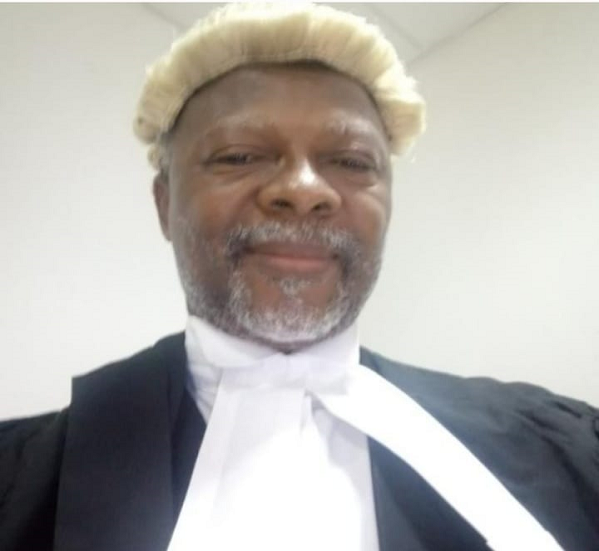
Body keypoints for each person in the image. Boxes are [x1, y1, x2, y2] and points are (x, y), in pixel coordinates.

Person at [1, 4, 597, 551]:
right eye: (239, 156)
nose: (305, 190)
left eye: (351, 162)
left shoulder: (562, 454)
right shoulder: (17, 480)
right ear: (164, 205)